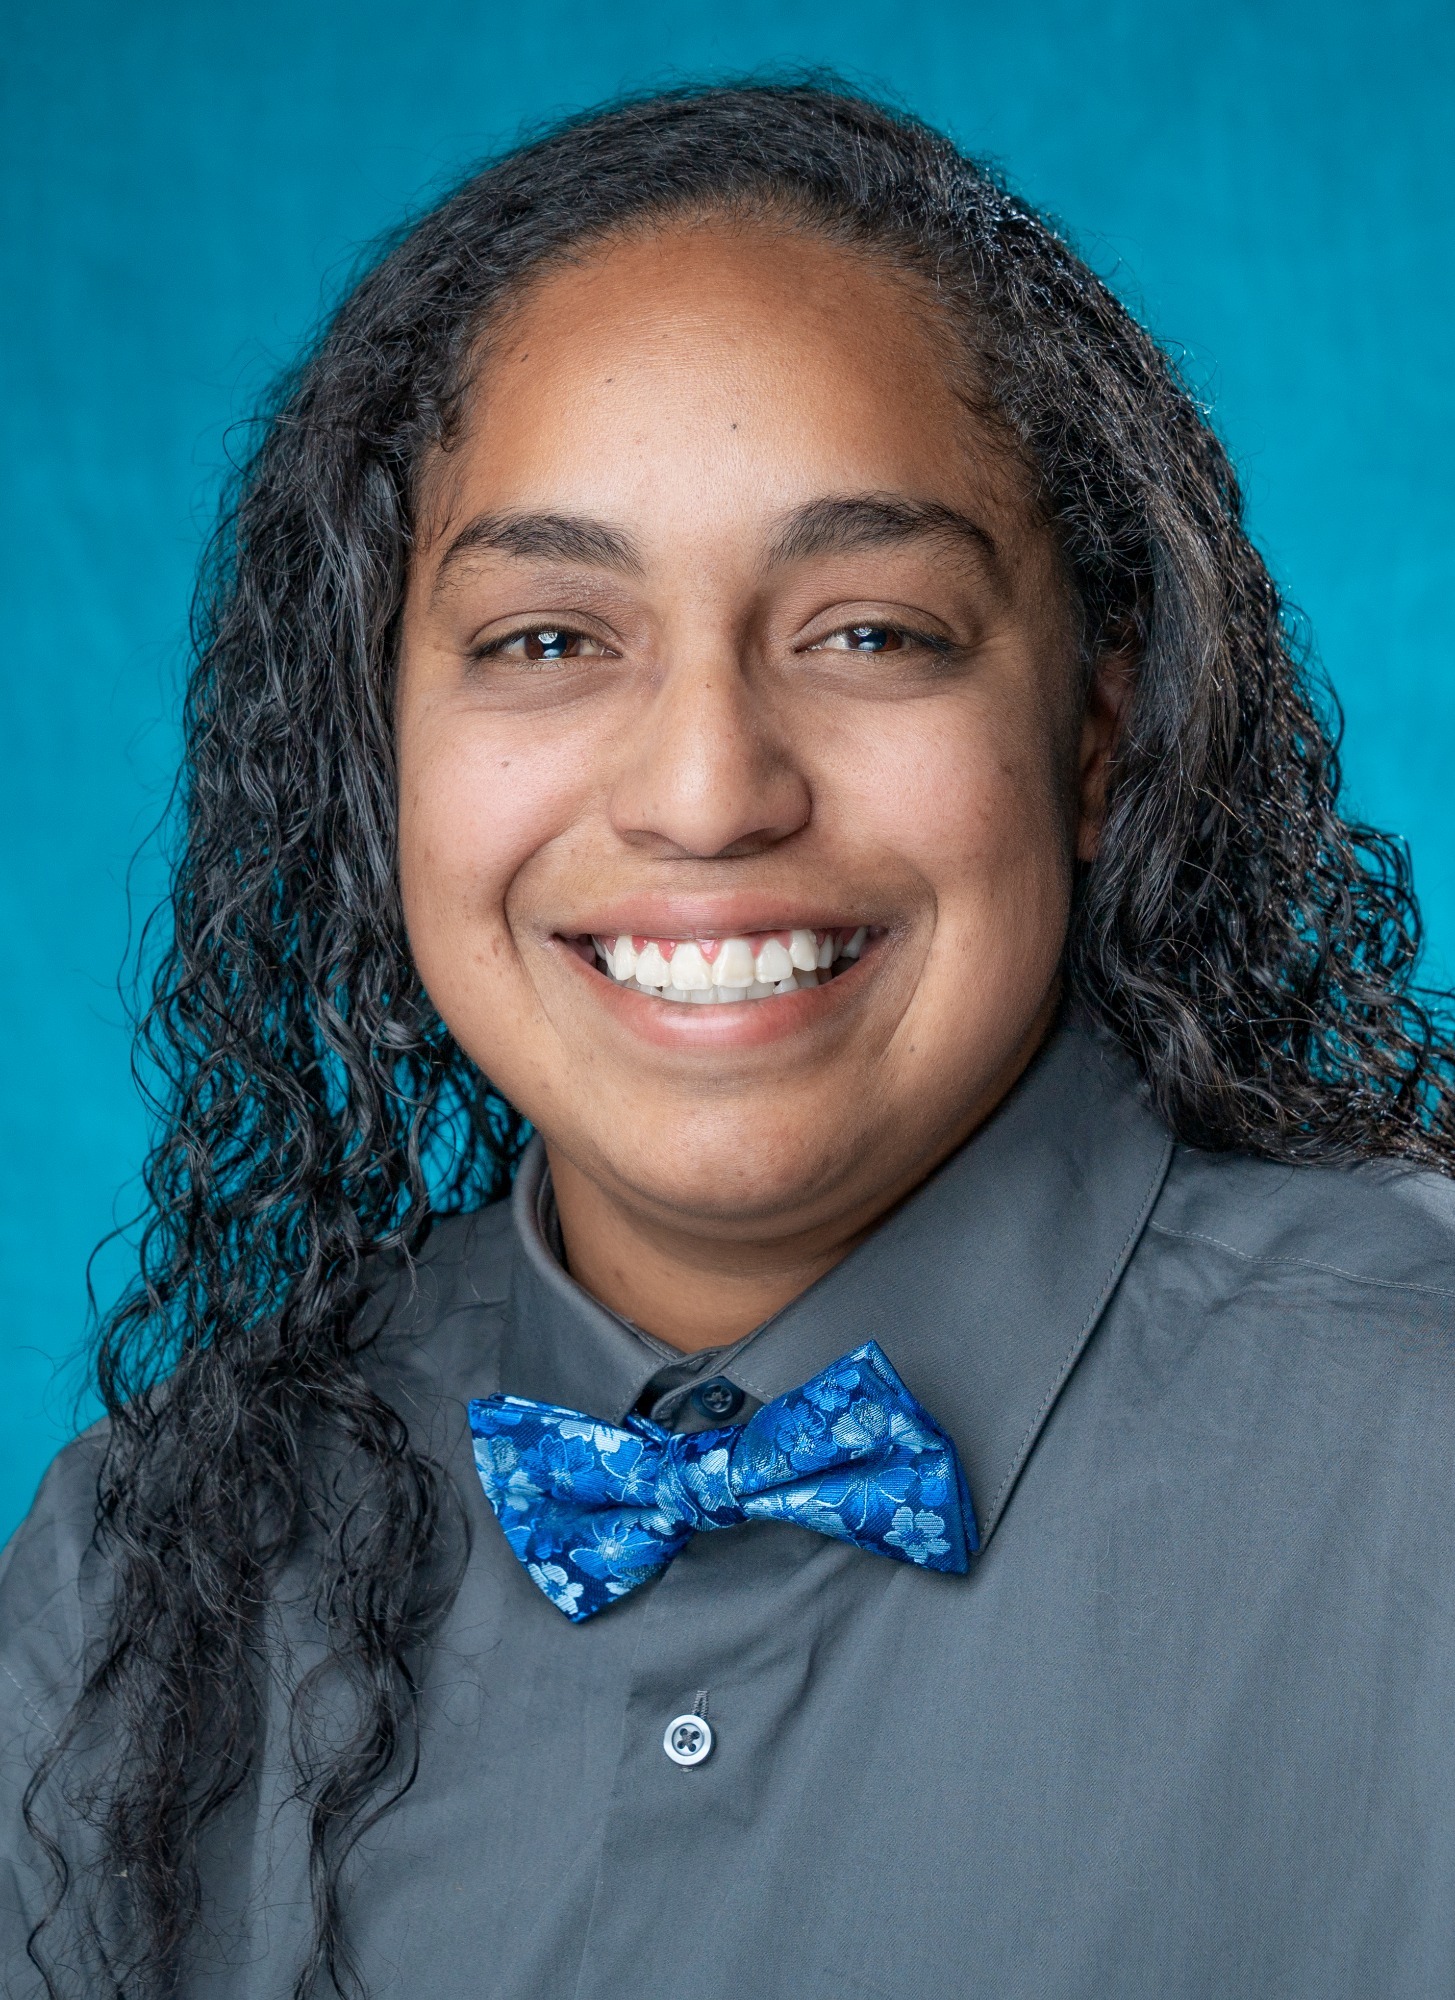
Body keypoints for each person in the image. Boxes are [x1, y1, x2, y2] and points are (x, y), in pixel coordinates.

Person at [3, 80, 1454, 2000]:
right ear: (381, 752)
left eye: (870, 633)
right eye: (547, 639)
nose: (705, 793)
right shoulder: (133, 1570)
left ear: (1099, 732)